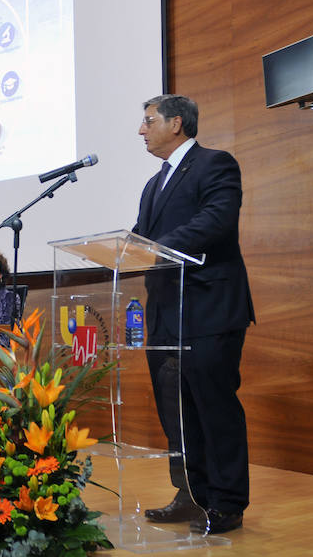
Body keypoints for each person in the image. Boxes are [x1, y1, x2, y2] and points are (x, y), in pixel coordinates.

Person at [132, 94, 255, 534]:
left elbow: (217, 221)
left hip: (209, 309)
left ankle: (226, 502)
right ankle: (190, 494)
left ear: (177, 123)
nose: (141, 130)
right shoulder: (153, 185)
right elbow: (140, 240)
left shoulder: (215, 164)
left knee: (213, 407)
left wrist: (157, 249)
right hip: (165, 312)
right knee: (176, 412)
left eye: (148, 121)